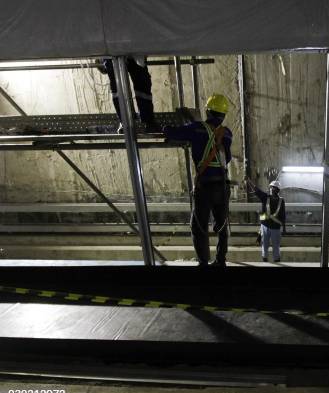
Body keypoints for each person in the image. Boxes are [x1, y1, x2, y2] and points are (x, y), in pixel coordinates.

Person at [163, 94, 233, 267]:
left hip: (206, 187)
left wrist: (165, 128)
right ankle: (220, 260)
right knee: (222, 224)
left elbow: (173, 132)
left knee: (199, 226)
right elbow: (228, 158)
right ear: (223, 115)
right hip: (223, 186)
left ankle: (203, 262)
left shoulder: (196, 128)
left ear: (207, 111)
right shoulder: (227, 133)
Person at [99, 57, 160, 133]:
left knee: (142, 83)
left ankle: (148, 121)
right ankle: (125, 121)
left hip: (132, 50)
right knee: (118, 87)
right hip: (114, 54)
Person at [245, 178, 286, 262]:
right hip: (265, 225)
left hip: (275, 227)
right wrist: (249, 181)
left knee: (276, 245)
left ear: (277, 190)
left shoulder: (281, 201)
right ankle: (265, 259)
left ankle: (277, 259)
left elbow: (283, 214)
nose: (271, 189)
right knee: (264, 244)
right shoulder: (265, 197)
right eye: (270, 187)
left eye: (273, 187)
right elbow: (256, 190)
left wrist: (284, 228)